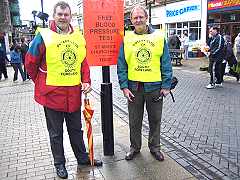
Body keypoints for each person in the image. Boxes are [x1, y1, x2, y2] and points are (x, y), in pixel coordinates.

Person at [25, 1, 102, 179]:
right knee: (56, 133)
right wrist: (40, 81)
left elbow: (83, 62)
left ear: (70, 16)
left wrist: (86, 81)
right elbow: (30, 61)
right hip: (51, 96)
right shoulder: (43, 36)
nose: (63, 17)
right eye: (59, 14)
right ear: (54, 15)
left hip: (73, 95)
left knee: (76, 130)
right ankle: (59, 164)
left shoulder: (78, 37)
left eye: (66, 14)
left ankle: (83, 159)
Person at [117, 5, 172, 162]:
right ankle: (135, 147)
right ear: (131, 20)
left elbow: (166, 63)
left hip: (155, 87)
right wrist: (124, 86)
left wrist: (166, 85)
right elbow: (122, 64)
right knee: (134, 120)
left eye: (141, 17)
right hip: (134, 88)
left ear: (146, 18)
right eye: (135, 18)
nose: (138, 20)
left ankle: (155, 147)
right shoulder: (127, 39)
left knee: (155, 119)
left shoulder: (159, 37)